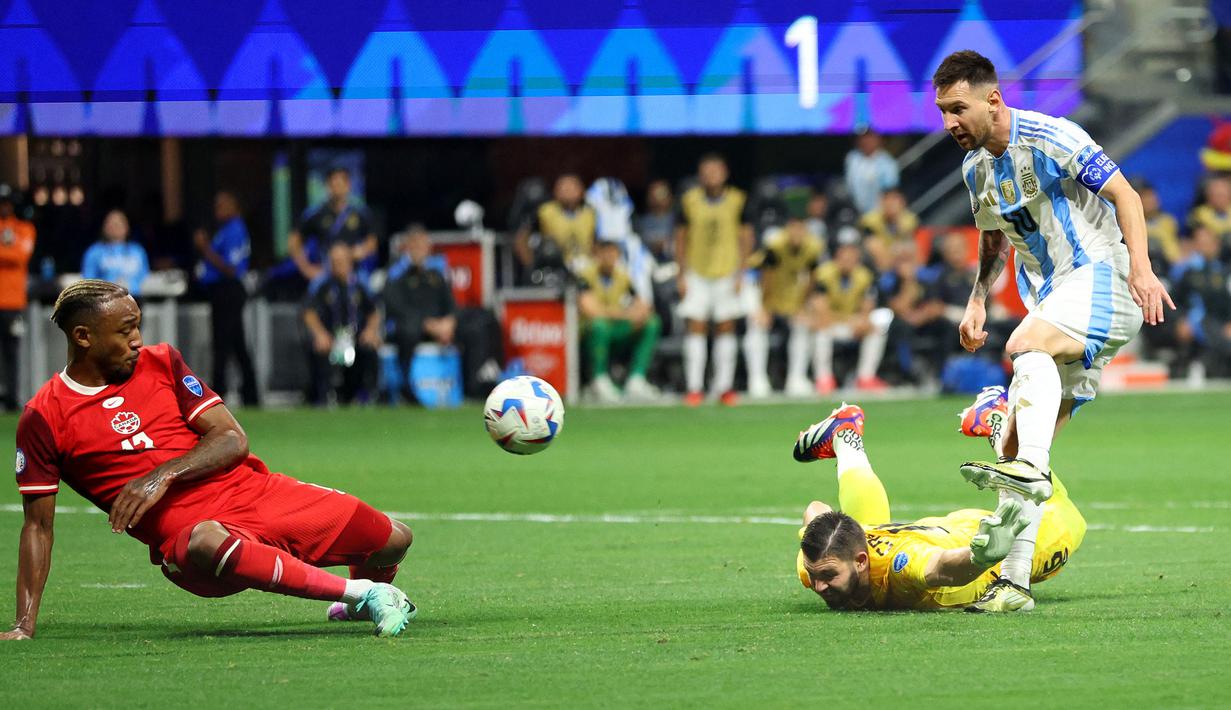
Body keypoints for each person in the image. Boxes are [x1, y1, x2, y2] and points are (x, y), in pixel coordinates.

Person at [2, 279, 415, 641]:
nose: (138, 340)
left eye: (138, 326)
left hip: (253, 493)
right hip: (192, 542)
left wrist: (163, 474)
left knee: (394, 540)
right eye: (125, 330)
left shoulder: (162, 362)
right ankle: (364, 594)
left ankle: (358, 604)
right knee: (206, 539)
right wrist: (24, 623)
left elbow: (232, 439)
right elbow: (38, 527)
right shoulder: (45, 417)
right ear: (83, 337)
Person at [933, 49, 1172, 611]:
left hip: (1103, 278)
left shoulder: (1052, 136)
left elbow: (1125, 194)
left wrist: (1141, 268)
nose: (949, 122)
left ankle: (1030, 467)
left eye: (958, 108)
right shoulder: (975, 169)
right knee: (1013, 450)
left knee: (1023, 345)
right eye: (942, 111)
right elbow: (994, 236)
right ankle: (1014, 584)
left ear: (993, 99)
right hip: (1056, 301)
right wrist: (977, 300)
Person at [792, 399, 1084, 611]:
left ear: (861, 561)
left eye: (828, 576)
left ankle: (997, 420)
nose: (817, 586)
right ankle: (844, 436)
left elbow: (941, 568)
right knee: (859, 529)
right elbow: (816, 511)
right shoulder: (814, 562)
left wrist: (982, 557)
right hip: (945, 531)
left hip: (988, 538)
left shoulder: (900, 566)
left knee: (1068, 519)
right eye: (814, 575)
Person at [674, 153, 754, 406]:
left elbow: (746, 236)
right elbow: (680, 237)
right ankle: (694, 387)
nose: (711, 176)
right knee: (695, 326)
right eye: (706, 171)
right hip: (696, 271)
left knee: (726, 326)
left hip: (728, 271)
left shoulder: (738, 200)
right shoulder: (689, 201)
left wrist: (742, 272)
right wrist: (681, 273)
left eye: (715, 171)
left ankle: (724, 387)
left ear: (725, 173)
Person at [744, 216, 823, 397]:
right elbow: (766, 277)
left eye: (800, 228)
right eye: (793, 228)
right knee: (757, 324)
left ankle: (796, 378)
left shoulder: (813, 247)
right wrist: (764, 307)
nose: (797, 233)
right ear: (787, 229)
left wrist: (803, 306)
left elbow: (812, 278)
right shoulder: (775, 245)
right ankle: (757, 379)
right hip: (756, 287)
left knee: (802, 324)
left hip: (788, 293)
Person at [194, 190, 258, 407]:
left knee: (222, 343)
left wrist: (205, 248)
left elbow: (230, 268)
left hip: (228, 290)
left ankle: (218, 392)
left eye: (222, 205)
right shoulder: (225, 229)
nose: (217, 209)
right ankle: (250, 394)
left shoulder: (235, 230)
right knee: (237, 343)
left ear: (234, 206)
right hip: (220, 291)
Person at [577, 238, 661, 403]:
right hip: (589, 334)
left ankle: (637, 379)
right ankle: (598, 380)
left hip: (616, 329)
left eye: (613, 254)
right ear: (597, 255)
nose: (609, 258)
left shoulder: (623, 277)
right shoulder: (585, 276)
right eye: (605, 253)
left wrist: (639, 313)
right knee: (599, 325)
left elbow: (641, 305)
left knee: (652, 323)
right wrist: (624, 314)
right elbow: (591, 310)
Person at [382, 224, 456, 402]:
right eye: (414, 245)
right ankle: (406, 385)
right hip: (412, 326)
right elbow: (396, 307)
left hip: (439, 327)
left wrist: (449, 322)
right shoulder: (396, 273)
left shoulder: (436, 272)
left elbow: (450, 303)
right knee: (408, 330)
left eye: (422, 245)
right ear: (406, 247)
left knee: (477, 325)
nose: (419, 250)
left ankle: (474, 385)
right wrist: (428, 324)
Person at [303, 242, 382, 406]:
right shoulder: (322, 285)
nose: (337, 265)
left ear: (350, 262)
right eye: (334, 261)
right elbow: (309, 313)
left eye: (341, 261)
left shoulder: (359, 285)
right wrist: (320, 333)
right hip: (331, 337)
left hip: (355, 336)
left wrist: (371, 331)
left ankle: (368, 395)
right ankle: (324, 396)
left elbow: (374, 312)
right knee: (320, 348)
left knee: (370, 346)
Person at [810, 242, 890, 394]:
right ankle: (824, 378)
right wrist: (851, 319)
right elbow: (822, 312)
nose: (847, 262)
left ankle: (865, 377)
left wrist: (862, 321)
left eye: (851, 258)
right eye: (844, 258)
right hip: (832, 324)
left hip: (851, 324)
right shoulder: (823, 274)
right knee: (821, 330)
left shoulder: (864, 276)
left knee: (877, 329)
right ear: (836, 258)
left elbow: (867, 307)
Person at [288, 167, 378, 284]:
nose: (337, 189)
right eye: (334, 184)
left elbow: (372, 242)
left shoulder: (361, 213)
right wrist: (306, 269)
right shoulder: (315, 213)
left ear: (348, 185)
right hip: (326, 272)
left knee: (369, 290)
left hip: (355, 272)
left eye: (340, 184)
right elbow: (294, 241)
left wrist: (359, 252)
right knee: (316, 290)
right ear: (328, 186)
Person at [1172, 226, 1231, 378]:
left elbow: (1226, 302)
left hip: (1219, 321)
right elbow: (1174, 299)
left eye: (1209, 243)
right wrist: (1181, 320)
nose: (1207, 247)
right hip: (1197, 320)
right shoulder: (1186, 270)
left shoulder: (1223, 271)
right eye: (1202, 243)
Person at [514, 174, 597, 276]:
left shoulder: (590, 213)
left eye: (572, 187)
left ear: (582, 191)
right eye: (564, 187)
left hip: (585, 265)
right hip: (553, 267)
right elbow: (522, 239)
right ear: (555, 191)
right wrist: (531, 266)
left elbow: (598, 242)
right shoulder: (544, 211)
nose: (568, 191)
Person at [0, 188, 35, 411]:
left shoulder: (24, 228)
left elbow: (22, 255)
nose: (4, 207)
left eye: (7, 203)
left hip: (13, 301)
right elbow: (14, 255)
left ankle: (12, 399)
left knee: (12, 352)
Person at [81, 210, 149, 296]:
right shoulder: (94, 252)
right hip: (104, 299)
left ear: (127, 227)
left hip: (135, 298)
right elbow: (88, 280)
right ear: (104, 228)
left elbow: (145, 276)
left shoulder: (138, 251)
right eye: (111, 225)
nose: (115, 228)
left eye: (118, 224)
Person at [858, 188, 920, 272]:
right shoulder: (870, 220)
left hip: (903, 257)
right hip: (882, 259)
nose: (890, 203)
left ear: (902, 202)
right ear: (881, 202)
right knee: (874, 244)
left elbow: (910, 246)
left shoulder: (910, 220)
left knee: (913, 245)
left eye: (894, 199)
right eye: (887, 199)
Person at [844, 128, 900, 215]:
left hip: (879, 214)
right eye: (863, 137)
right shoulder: (852, 157)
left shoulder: (887, 162)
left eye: (870, 137)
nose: (866, 141)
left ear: (878, 139)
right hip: (854, 210)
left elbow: (890, 192)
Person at [1188, 175, 1231, 262]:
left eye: (1223, 195)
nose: (1220, 198)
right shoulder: (1200, 214)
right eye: (1217, 195)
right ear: (1209, 196)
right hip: (1210, 258)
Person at [637, 179, 676, 262]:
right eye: (653, 194)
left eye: (661, 193)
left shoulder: (677, 220)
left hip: (673, 263)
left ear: (670, 196)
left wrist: (665, 245)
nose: (656, 198)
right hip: (648, 263)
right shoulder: (641, 223)